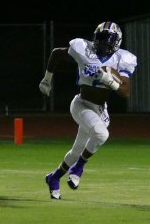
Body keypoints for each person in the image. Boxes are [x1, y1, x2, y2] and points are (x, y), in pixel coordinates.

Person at [39, 21, 137, 199]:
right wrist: (47, 79)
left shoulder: (122, 58)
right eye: (100, 38)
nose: (102, 43)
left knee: (76, 151)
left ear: (117, 41)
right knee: (101, 135)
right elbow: (56, 54)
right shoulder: (83, 48)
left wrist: (112, 82)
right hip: (81, 104)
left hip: (100, 109)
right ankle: (78, 168)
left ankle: (53, 178)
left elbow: (125, 92)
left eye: (107, 39)